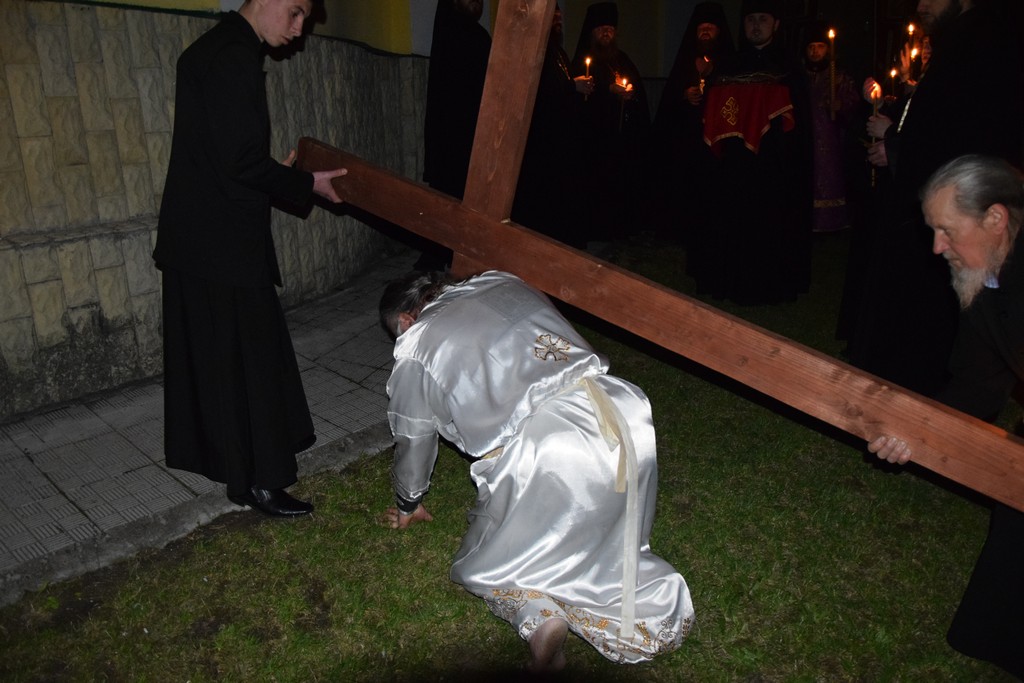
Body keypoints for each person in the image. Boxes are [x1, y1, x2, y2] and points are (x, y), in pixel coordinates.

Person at [379, 270, 694, 671]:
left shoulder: (417, 344)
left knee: (491, 561)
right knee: (602, 531)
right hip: (622, 414)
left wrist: (408, 502)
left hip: (550, 443)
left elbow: (414, 436)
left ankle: (539, 617)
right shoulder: (500, 280)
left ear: (406, 320)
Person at [152, 0, 346, 517]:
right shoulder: (234, 54)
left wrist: (272, 172)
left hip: (200, 238)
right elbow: (238, 160)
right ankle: (263, 481)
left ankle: (243, 476)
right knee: (252, 362)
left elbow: (219, 155)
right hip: (223, 244)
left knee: (226, 363)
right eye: (296, 12)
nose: (299, 29)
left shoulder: (210, 49)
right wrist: (305, 182)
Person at [868, 154, 1024, 679]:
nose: (936, 247)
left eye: (947, 231)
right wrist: (914, 434)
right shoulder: (986, 279)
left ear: (996, 218)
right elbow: (976, 384)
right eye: (933, 230)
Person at [846, 0, 1024, 396]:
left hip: (960, 207)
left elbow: (964, 136)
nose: (921, 4)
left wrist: (897, 148)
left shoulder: (984, 42)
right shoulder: (961, 41)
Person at [689, 0, 813, 305]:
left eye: (762, 19)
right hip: (733, 166)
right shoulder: (728, 64)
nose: (756, 26)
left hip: (774, 167)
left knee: (769, 225)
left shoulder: (789, 67)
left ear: (776, 24)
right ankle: (727, 279)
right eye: (750, 20)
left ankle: (768, 284)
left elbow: (799, 128)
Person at [650, 1, 735, 247]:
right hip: (687, 139)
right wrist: (684, 94)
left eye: (710, 27)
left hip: (718, 139)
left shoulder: (729, 60)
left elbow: (734, 95)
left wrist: (711, 73)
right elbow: (669, 98)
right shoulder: (685, 59)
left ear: (719, 31)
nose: (705, 31)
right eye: (701, 28)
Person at [417, 0, 492, 271]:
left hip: (473, 134)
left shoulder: (477, 36)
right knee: (450, 194)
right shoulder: (450, 35)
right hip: (453, 137)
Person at [512, 3, 592, 249]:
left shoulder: (559, 53)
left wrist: (576, 88)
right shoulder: (534, 48)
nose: (558, 18)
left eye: (559, 14)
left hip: (559, 138)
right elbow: (538, 90)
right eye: (553, 14)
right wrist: (572, 86)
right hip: (541, 138)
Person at [571, 2, 652, 241]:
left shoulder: (622, 59)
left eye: (610, 28)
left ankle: (623, 228)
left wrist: (630, 94)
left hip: (621, 141)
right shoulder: (582, 61)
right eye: (601, 28)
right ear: (591, 31)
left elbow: (638, 92)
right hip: (596, 143)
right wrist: (608, 91)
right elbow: (580, 102)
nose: (606, 32)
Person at [801, 22, 860, 233]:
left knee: (831, 177)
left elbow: (854, 104)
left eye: (820, 46)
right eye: (811, 47)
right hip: (805, 137)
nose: (815, 51)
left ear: (828, 49)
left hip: (831, 139)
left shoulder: (839, 76)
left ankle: (831, 222)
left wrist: (841, 105)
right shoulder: (799, 77)